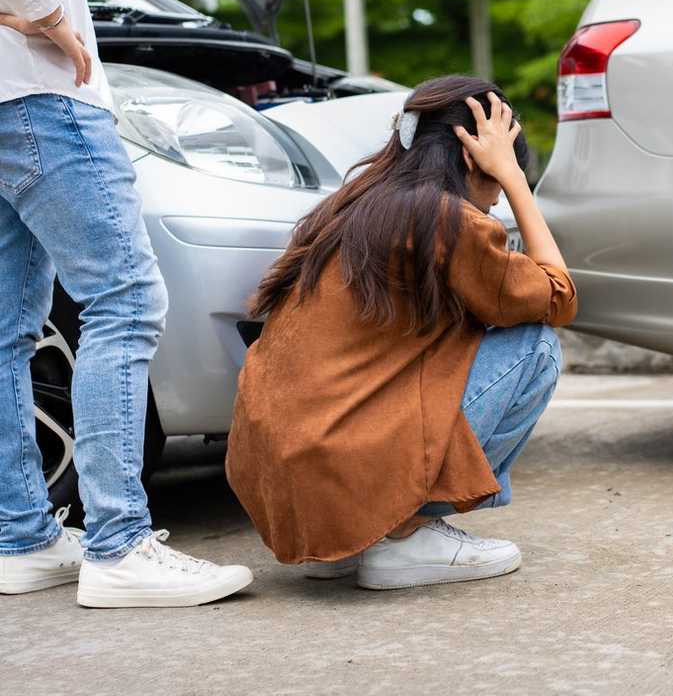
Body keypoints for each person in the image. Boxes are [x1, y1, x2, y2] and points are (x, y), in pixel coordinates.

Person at [226, 75, 577, 590]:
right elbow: (558, 295)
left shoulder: (349, 206)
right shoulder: (447, 220)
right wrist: (518, 178)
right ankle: (405, 536)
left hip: (278, 484)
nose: (498, 201)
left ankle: (342, 544)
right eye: (498, 182)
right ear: (471, 160)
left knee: (442, 347)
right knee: (537, 347)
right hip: (339, 458)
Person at [0, 0, 252, 607]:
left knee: (6, 331)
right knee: (125, 301)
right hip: (41, 93)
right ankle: (119, 545)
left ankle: (20, 538)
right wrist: (48, 15)